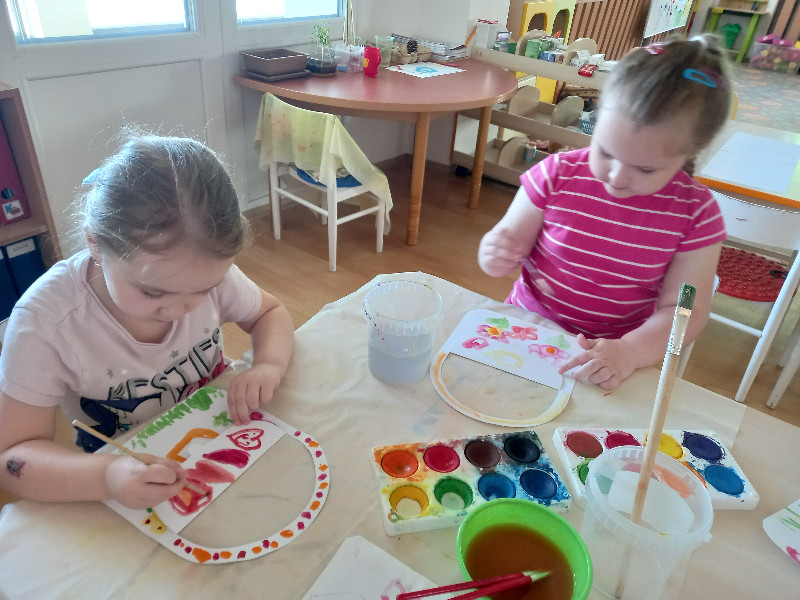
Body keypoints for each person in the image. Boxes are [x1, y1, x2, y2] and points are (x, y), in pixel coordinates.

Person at [0, 134, 295, 509]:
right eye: (153, 293)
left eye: (204, 290)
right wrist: (106, 477)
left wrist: (269, 365)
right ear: (95, 243)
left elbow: (269, 313)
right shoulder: (45, 323)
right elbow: (12, 456)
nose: (178, 311)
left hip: (219, 439)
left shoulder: (194, 268)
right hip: (121, 480)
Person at [478, 35, 732, 390]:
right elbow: (507, 241)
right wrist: (495, 251)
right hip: (529, 330)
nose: (617, 176)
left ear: (689, 154)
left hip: (615, 357)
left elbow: (684, 311)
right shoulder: (556, 174)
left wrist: (631, 351)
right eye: (606, 152)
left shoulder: (697, 214)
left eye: (645, 169)